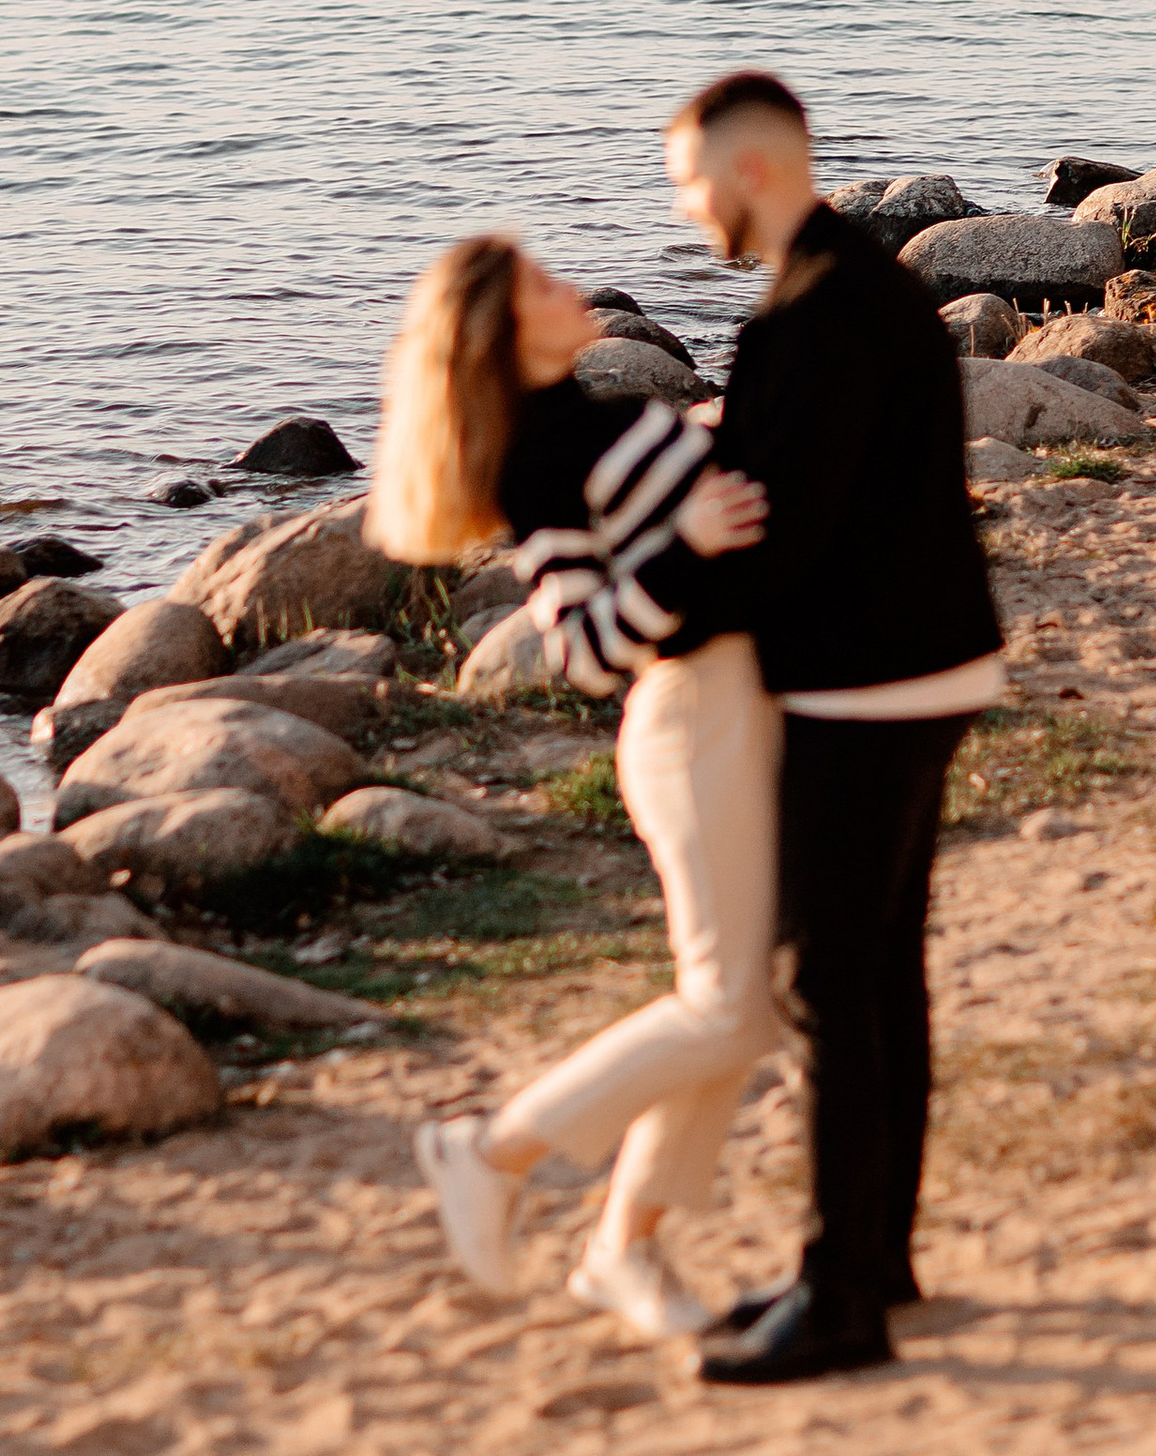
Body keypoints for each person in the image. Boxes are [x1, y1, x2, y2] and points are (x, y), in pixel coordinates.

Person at [367, 233, 778, 1343]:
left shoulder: (587, 416)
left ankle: (623, 1248)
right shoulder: (539, 458)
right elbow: (586, 648)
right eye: (542, 286)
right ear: (503, 331)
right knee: (725, 1005)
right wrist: (686, 543)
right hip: (692, 722)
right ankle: (493, 1151)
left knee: (742, 1009)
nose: (572, 288)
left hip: (746, 709)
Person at [664, 72, 1007, 1387]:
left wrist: (646, 617)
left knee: (827, 985)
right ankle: (875, 1258)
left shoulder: (805, 327)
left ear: (751, 173)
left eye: (690, 180)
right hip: (936, 659)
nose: (684, 207)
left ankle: (840, 1295)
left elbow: (773, 543)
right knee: (884, 975)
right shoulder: (869, 288)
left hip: (863, 683)